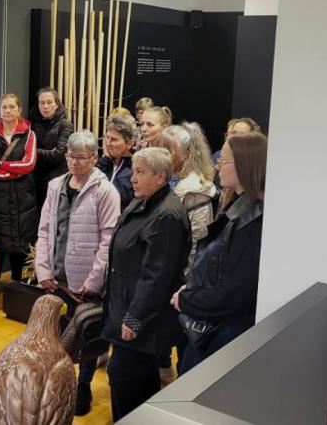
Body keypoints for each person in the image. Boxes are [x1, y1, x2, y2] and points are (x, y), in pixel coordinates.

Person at [34, 130, 120, 417]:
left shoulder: (105, 191)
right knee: (56, 335)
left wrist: (93, 281)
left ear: (94, 158)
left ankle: (82, 385)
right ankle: (59, 383)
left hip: (85, 283)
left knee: (86, 337)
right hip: (56, 277)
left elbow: (108, 241)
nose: (74, 162)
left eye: (81, 158)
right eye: (71, 156)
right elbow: (45, 229)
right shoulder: (55, 185)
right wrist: (42, 268)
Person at [102, 147, 191, 422]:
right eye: (134, 171)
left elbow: (157, 276)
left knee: (126, 380)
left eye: (140, 172)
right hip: (126, 307)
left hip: (141, 320)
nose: (133, 178)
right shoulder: (143, 202)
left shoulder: (166, 215)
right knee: (132, 383)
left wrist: (135, 318)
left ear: (160, 177)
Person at [172, 132, 267, 375]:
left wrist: (187, 300)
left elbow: (234, 292)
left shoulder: (253, 222)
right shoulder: (241, 209)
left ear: (244, 165)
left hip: (225, 332)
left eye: (223, 160)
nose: (217, 166)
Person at [152, 123, 218, 383]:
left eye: (169, 150)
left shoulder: (196, 191)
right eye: (160, 148)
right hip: (161, 277)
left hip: (180, 283)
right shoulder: (164, 181)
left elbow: (198, 244)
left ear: (187, 153)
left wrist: (185, 284)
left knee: (182, 343)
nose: (163, 155)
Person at [0, 93, 38, 302]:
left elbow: (29, 164)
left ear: (19, 110)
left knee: (21, 241)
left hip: (24, 198)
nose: (8, 111)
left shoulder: (29, 134)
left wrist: (3, 165)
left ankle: (17, 283)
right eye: (4, 107)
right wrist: (12, 173)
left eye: (12, 107)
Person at [30, 87, 73, 212]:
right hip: (36, 182)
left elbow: (58, 155)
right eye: (42, 103)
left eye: (49, 102)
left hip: (57, 181)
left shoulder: (65, 125)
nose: (45, 106)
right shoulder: (33, 124)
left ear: (57, 104)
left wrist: (32, 151)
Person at [96, 114, 137, 210]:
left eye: (114, 140)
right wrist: (105, 159)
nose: (108, 143)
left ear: (129, 143)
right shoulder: (104, 163)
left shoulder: (135, 168)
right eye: (107, 137)